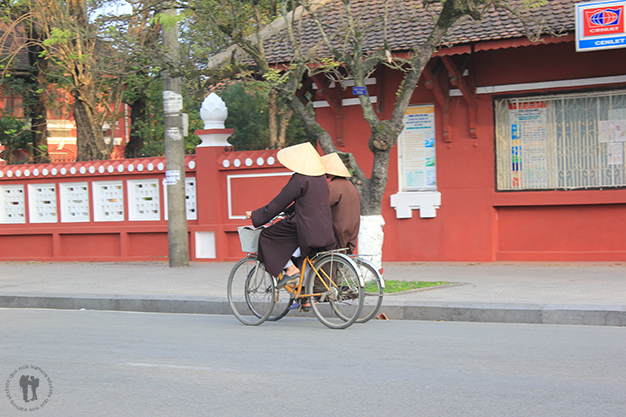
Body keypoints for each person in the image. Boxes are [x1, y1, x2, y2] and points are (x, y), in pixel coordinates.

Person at [246, 142, 335, 283]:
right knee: (301, 256)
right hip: (323, 228)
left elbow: (279, 202)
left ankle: (290, 268)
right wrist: (289, 212)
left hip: (304, 227)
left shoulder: (300, 178)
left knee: (266, 235)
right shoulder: (321, 178)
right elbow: (308, 202)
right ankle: (304, 299)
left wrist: (257, 215)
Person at [320, 153, 361, 254]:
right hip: (350, 233)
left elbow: (320, 207)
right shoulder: (350, 186)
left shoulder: (333, 186)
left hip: (338, 233)